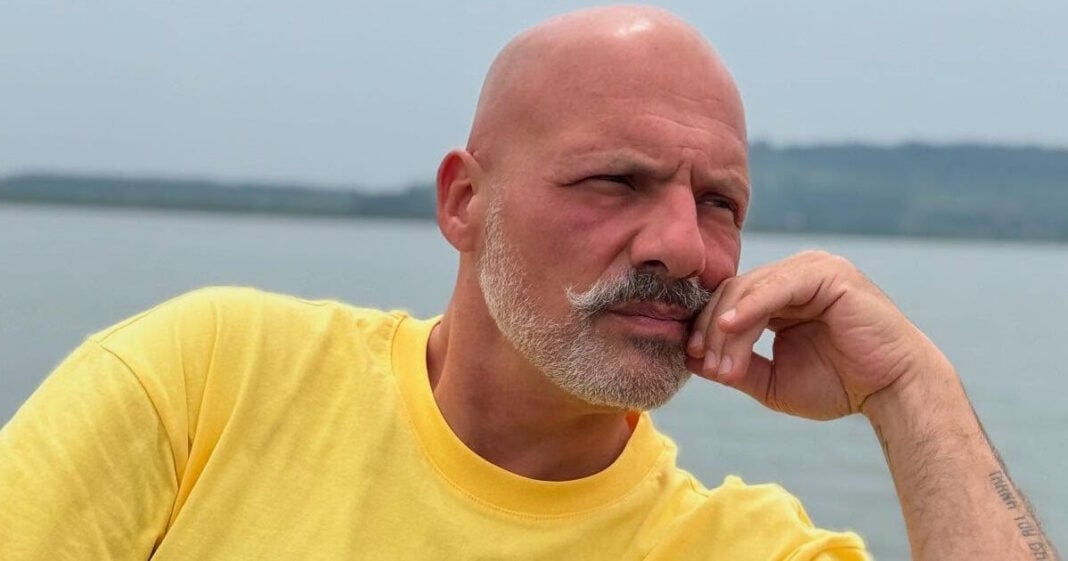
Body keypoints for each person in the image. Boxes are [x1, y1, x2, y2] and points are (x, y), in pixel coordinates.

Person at [0, 5, 1057, 560]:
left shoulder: (739, 546)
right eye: (615, 182)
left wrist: (910, 389)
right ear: (464, 202)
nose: (685, 248)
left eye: (720, 202)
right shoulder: (210, 382)